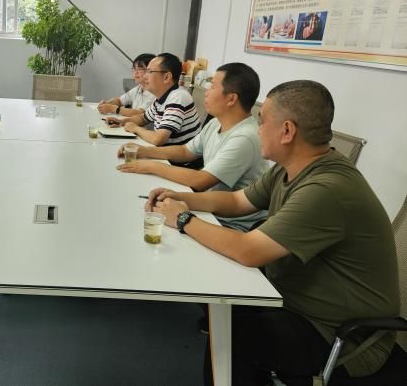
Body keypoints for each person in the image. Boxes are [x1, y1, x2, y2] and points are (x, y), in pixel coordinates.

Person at [146, 80, 402, 386]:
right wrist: (183, 198)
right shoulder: (290, 167)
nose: (257, 129)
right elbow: (238, 201)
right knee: (224, 308)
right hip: (294, 301)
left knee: (232, 332)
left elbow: (248, 251)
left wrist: (183, 218)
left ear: (287, 131)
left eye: (262, 120)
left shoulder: (327, 188)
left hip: (340, 337)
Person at [117, 63, 268, 231]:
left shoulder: (245, 137)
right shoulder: (216, 123)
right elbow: (185, 151)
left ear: (231, 99)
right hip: (210, 209)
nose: (206, 92)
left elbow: (200, 181)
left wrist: (151, 166)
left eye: (212, 87)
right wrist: (145, 151)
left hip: (231, 224)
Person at [107, 53, 200, 146]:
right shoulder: (161, 97)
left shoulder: (178, 97)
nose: (145, 76)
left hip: (174, 155)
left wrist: (135, 128)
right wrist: (121, 122)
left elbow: (158, 139)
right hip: (163, 151)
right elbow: (143, 118)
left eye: (150, 72)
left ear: (166, 77)